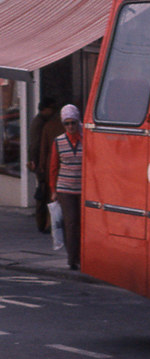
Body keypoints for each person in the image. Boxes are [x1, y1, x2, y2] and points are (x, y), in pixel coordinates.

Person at [49, 104, 84, 271]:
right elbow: (54, 167)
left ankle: (82, 255)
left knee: (83, 223)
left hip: (83, 188)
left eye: (73, 123)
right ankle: (72, 259)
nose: (70, 126)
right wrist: (53, 190)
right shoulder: (59, 141)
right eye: (67, 123)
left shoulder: (86, 140)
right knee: (71, 222)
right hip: (65, 188)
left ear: (78, 122)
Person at [26, 97, 60, 232]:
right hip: (41, 164)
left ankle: (44, 223)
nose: (53, 112)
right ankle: (43, 223)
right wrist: (35, 162)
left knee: (44, 193)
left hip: (41, 163)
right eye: (51, 109)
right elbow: (35, 145)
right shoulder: (40, 123)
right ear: (45, 109)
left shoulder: (42, 122)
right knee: (43, 193)